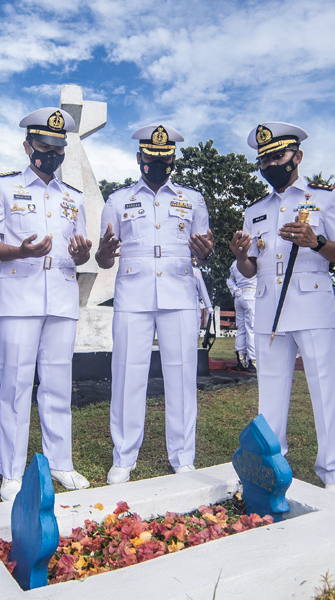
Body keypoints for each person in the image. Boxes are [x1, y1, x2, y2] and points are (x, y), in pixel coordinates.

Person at [229, 121, 335, 497]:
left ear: (297, 157)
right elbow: (250, 267)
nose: (270, 164)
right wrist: (240, 256)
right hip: (269, 305)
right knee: (269, 393)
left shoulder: (325, 198)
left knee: (326, 389)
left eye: (277, 156)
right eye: (263, 160)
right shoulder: (254, 209)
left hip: (312, 302)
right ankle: (271, 466)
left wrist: (317, 242)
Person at [0, 108, 92, 501]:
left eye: (58, 148)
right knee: (16, 385)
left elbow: (79, 248)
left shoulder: (72, 197)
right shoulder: (3, 185)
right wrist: (19, 251)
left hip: (61, 296)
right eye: (44, 147)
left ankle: (61, 462)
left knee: (58, 385)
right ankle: (12, 471)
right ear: (28, 146)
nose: (52, 154)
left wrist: (81, 254)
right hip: (18, 296)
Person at [95, 124, 213, 484]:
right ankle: (124, 456)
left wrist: (206, 254)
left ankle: (183, 456)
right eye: (151, 158)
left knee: (181, 375)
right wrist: (101, 254)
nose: (157, 164)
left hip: (179, 292)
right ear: (139, 158)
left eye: (164, 158)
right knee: (128, 374)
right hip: (133, 294)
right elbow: (103, 259)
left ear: (172, 159)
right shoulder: (117, 201)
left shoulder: (193, 200)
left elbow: (203, 252)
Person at [227, 259, 257, 370]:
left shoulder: (234, 263)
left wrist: (234, 290)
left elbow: (229, 280)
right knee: (251, 328)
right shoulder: (254, 260)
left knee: (241, 328)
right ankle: (253, 361)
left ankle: (241, 359)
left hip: (239, 295)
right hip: (252, 294)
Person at [192, 259, 213, 339]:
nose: (194, 259)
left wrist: (208, 306)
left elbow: (202, 289)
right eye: (192, 257)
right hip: (192, 304)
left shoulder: (195, 271)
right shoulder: (195, 272)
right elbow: (202, 289)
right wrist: (209, 306)